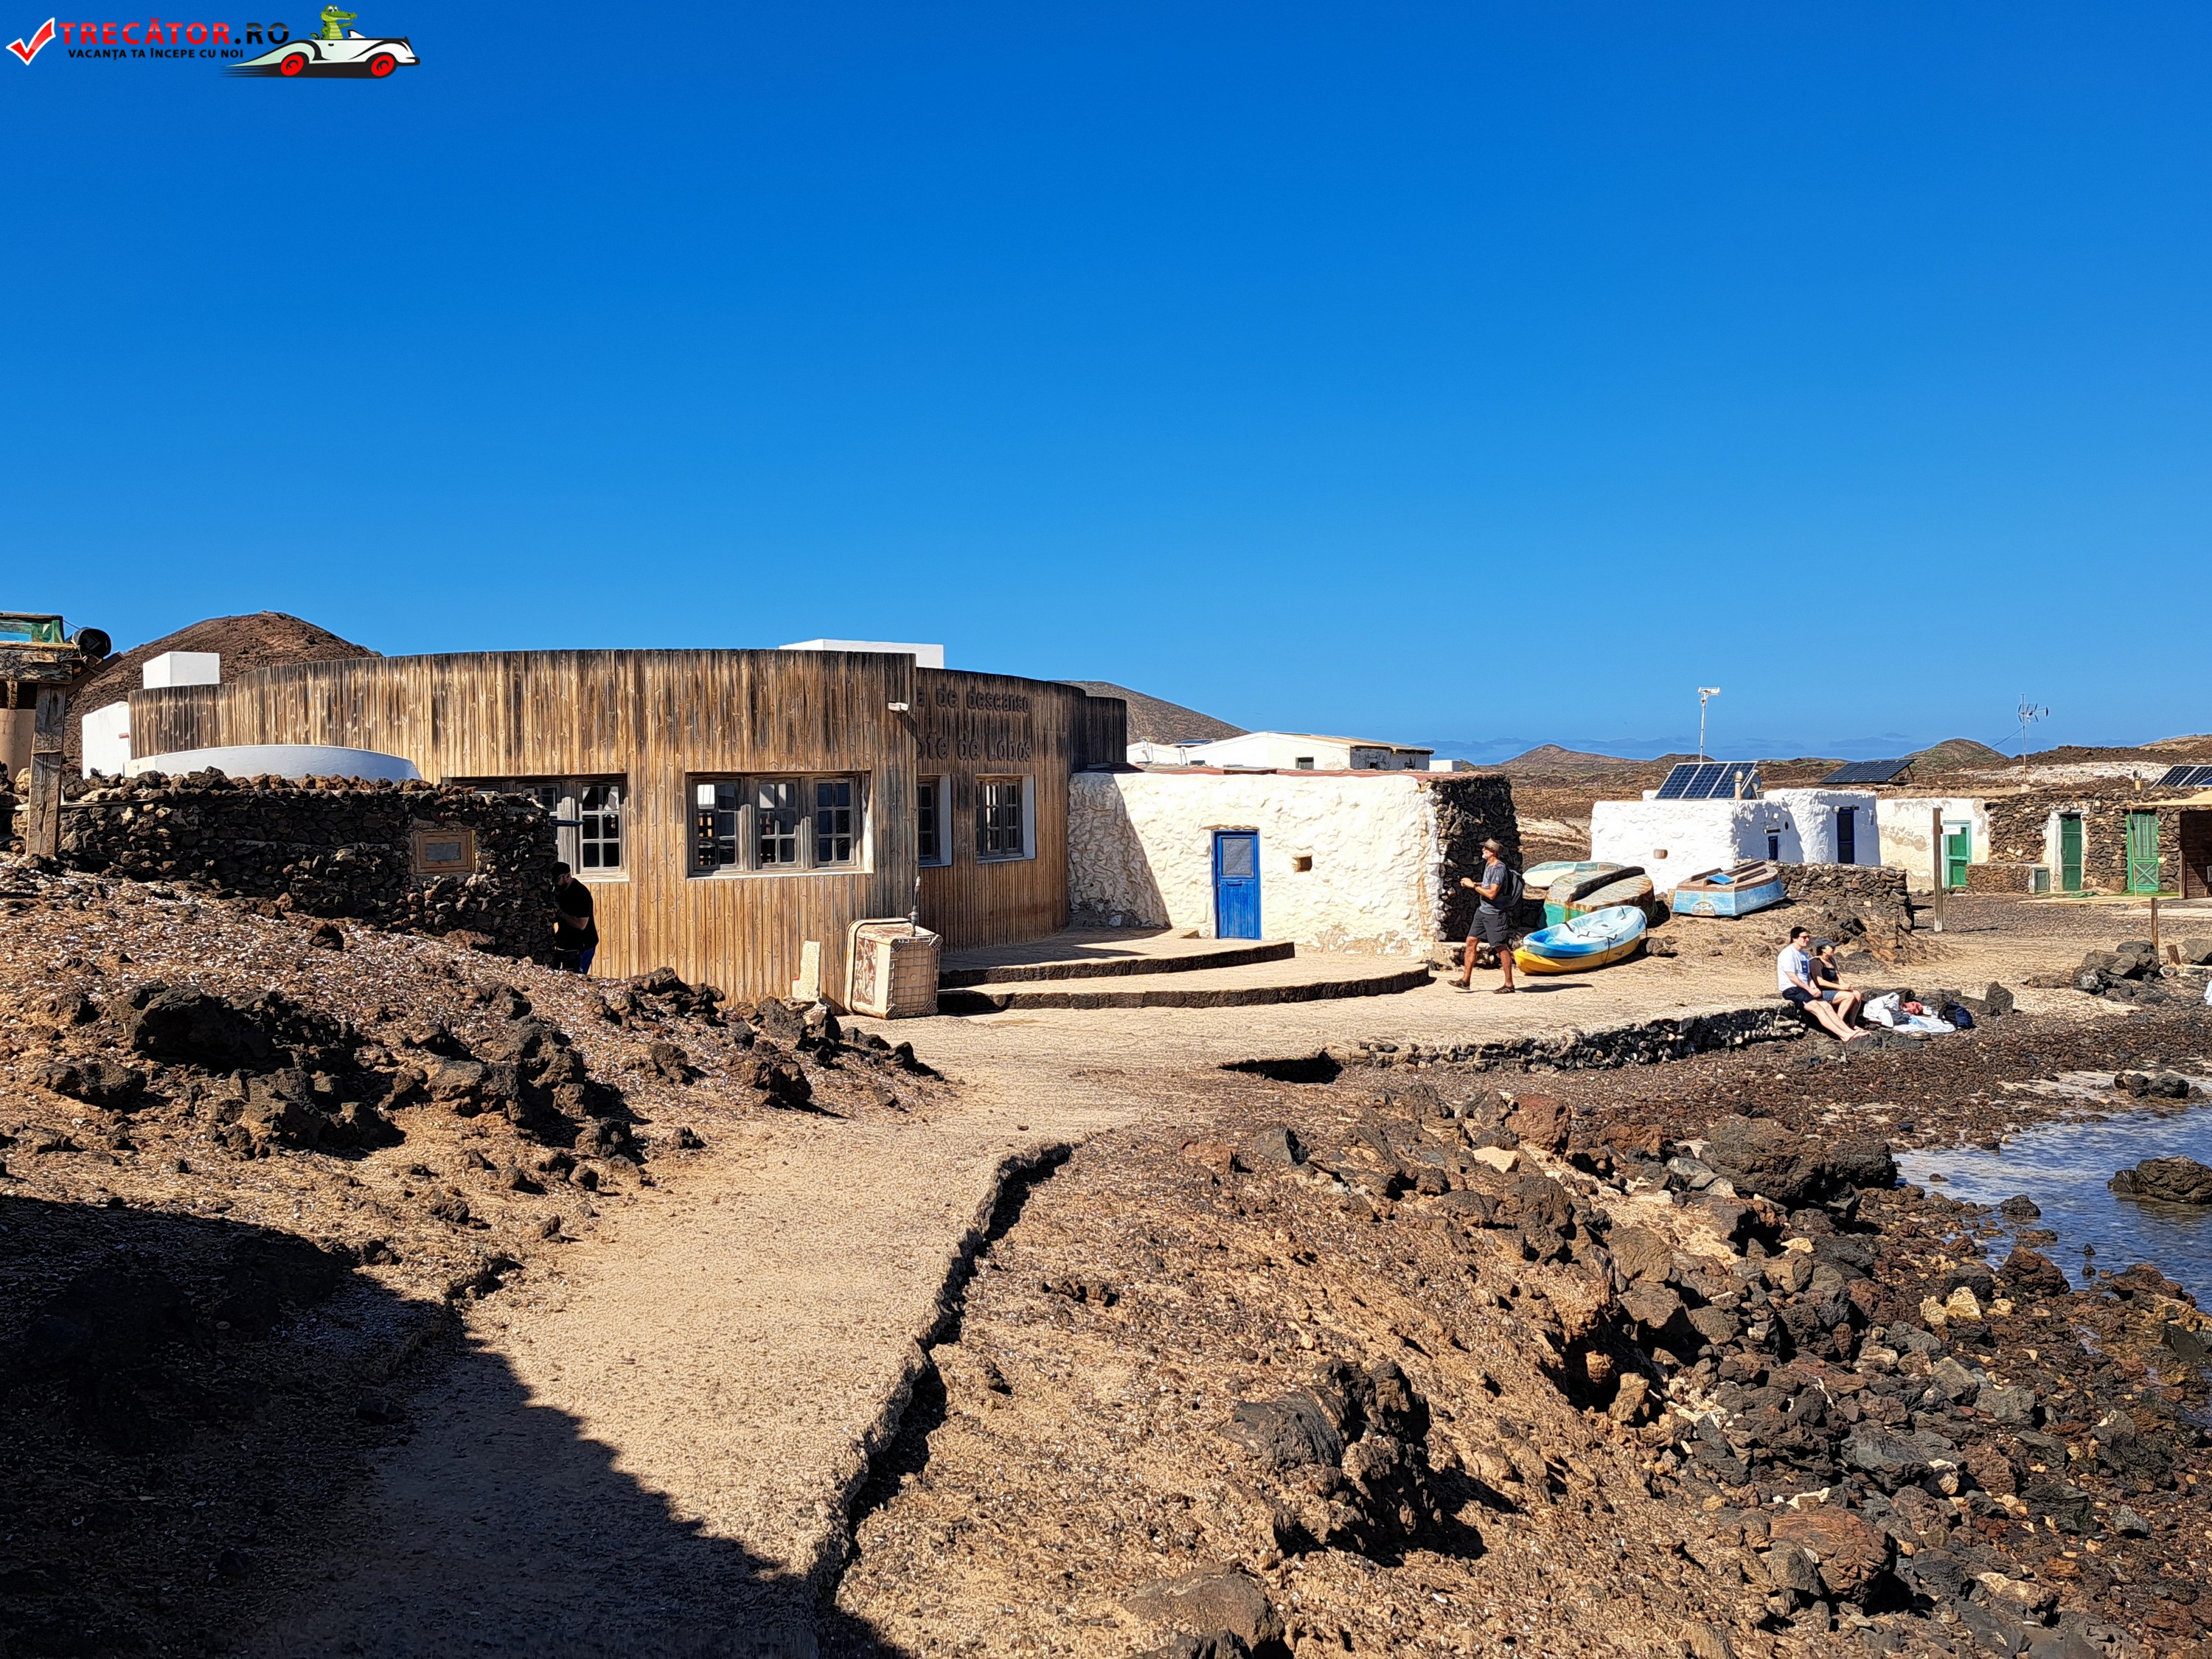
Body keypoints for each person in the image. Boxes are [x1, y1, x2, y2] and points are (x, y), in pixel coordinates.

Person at [1453, 838, 1518, 994]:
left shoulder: (1499, 869)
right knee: (1471, 941)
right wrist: (1475, 884)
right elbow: (1487, 885)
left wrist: (1473, 887)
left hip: (1495, 914)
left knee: (1500, 946)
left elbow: (1491, 893)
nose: (1483, 850)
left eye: (1486, 849)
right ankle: (1465, 980)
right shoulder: (1489, 865)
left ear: (1493, 852)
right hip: (1483, 912)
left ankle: (1509, 984)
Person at [1778, 925, 1860, 1040]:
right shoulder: (1788, 954)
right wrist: (1809, 989)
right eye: (1804, 937)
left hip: (1804, 989)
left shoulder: (1804, 955)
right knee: (1818, 1008)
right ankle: (1843, 1035)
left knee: (1827, 1006)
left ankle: (1849, 1031)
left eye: (1808, 937)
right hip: (1793, 989)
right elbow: (1793, 977)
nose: (1807, 940)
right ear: (1795, 938)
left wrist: (1813, 988)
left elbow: (1808, 976)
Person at [553, 863, 598, 974]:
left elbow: (581, 924)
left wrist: (560, 913)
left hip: (583, 945)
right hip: (567, 944)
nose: (555, 884)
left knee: (577, 978)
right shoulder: (560, 891)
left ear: (567, 877)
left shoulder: (581, 894)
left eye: (557, 880)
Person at [1811, 938, 1864, 1026]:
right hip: (1823, 992)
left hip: (1834, 990)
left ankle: (1851, 1023)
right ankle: (1839, 1023)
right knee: (1849, 996)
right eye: (1831, 947)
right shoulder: (1816, 962)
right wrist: (1840, 987)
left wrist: (1845, 985)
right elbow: (1820, 982)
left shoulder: (1831, 960)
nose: (1834, 949)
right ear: (1823, 949)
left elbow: (1838, 976)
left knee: (1857, 994)